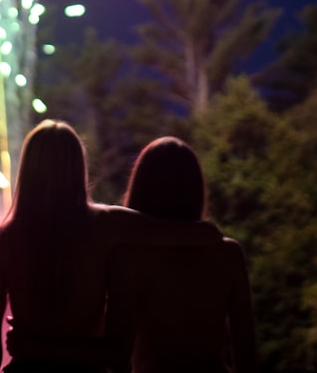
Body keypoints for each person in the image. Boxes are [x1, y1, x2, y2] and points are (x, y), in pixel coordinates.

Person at [0, 121, 219, 373]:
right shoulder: (106, 225)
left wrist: (35, 349)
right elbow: (206, 234)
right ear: (78, 167)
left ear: (27, 170)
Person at [106, 136, 257, 373]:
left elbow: (116, 356)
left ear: (141, 189)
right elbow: (247, 355)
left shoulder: (127, 258)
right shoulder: (228, 254)